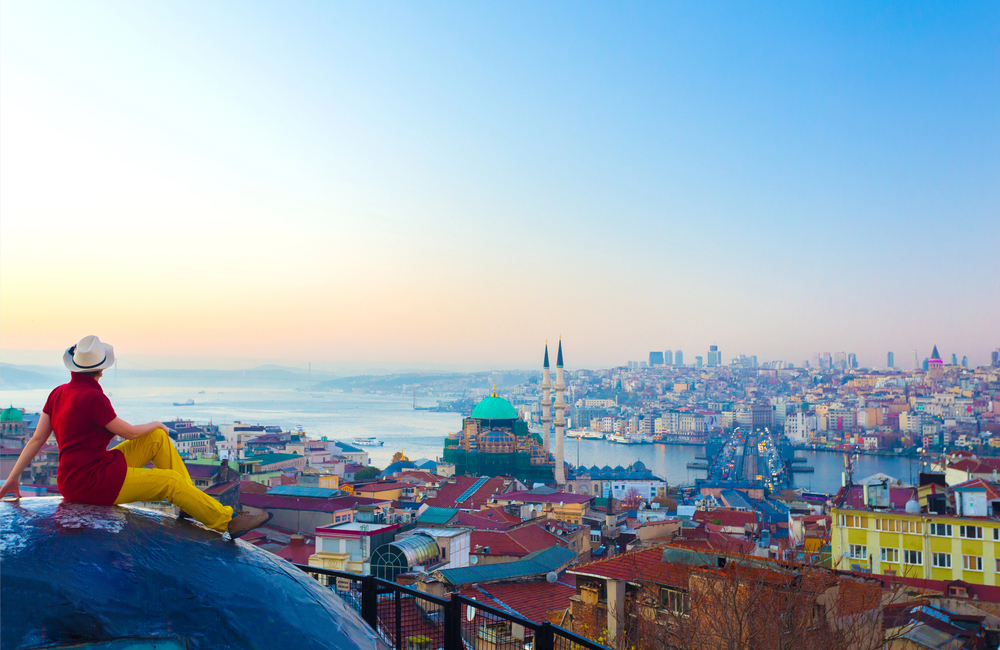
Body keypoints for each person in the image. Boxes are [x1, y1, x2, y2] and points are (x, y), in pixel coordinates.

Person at [0, 335, 271, 539]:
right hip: (92, 483)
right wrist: (157, 422)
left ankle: (192, 505)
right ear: (101, 369)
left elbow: (35, 440)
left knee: (156, 439)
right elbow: (127, 432)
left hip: (78, 476)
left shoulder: (58, 393)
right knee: (170, 481)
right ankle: (227, 522)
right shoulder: (94, 397)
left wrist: (13, 478)